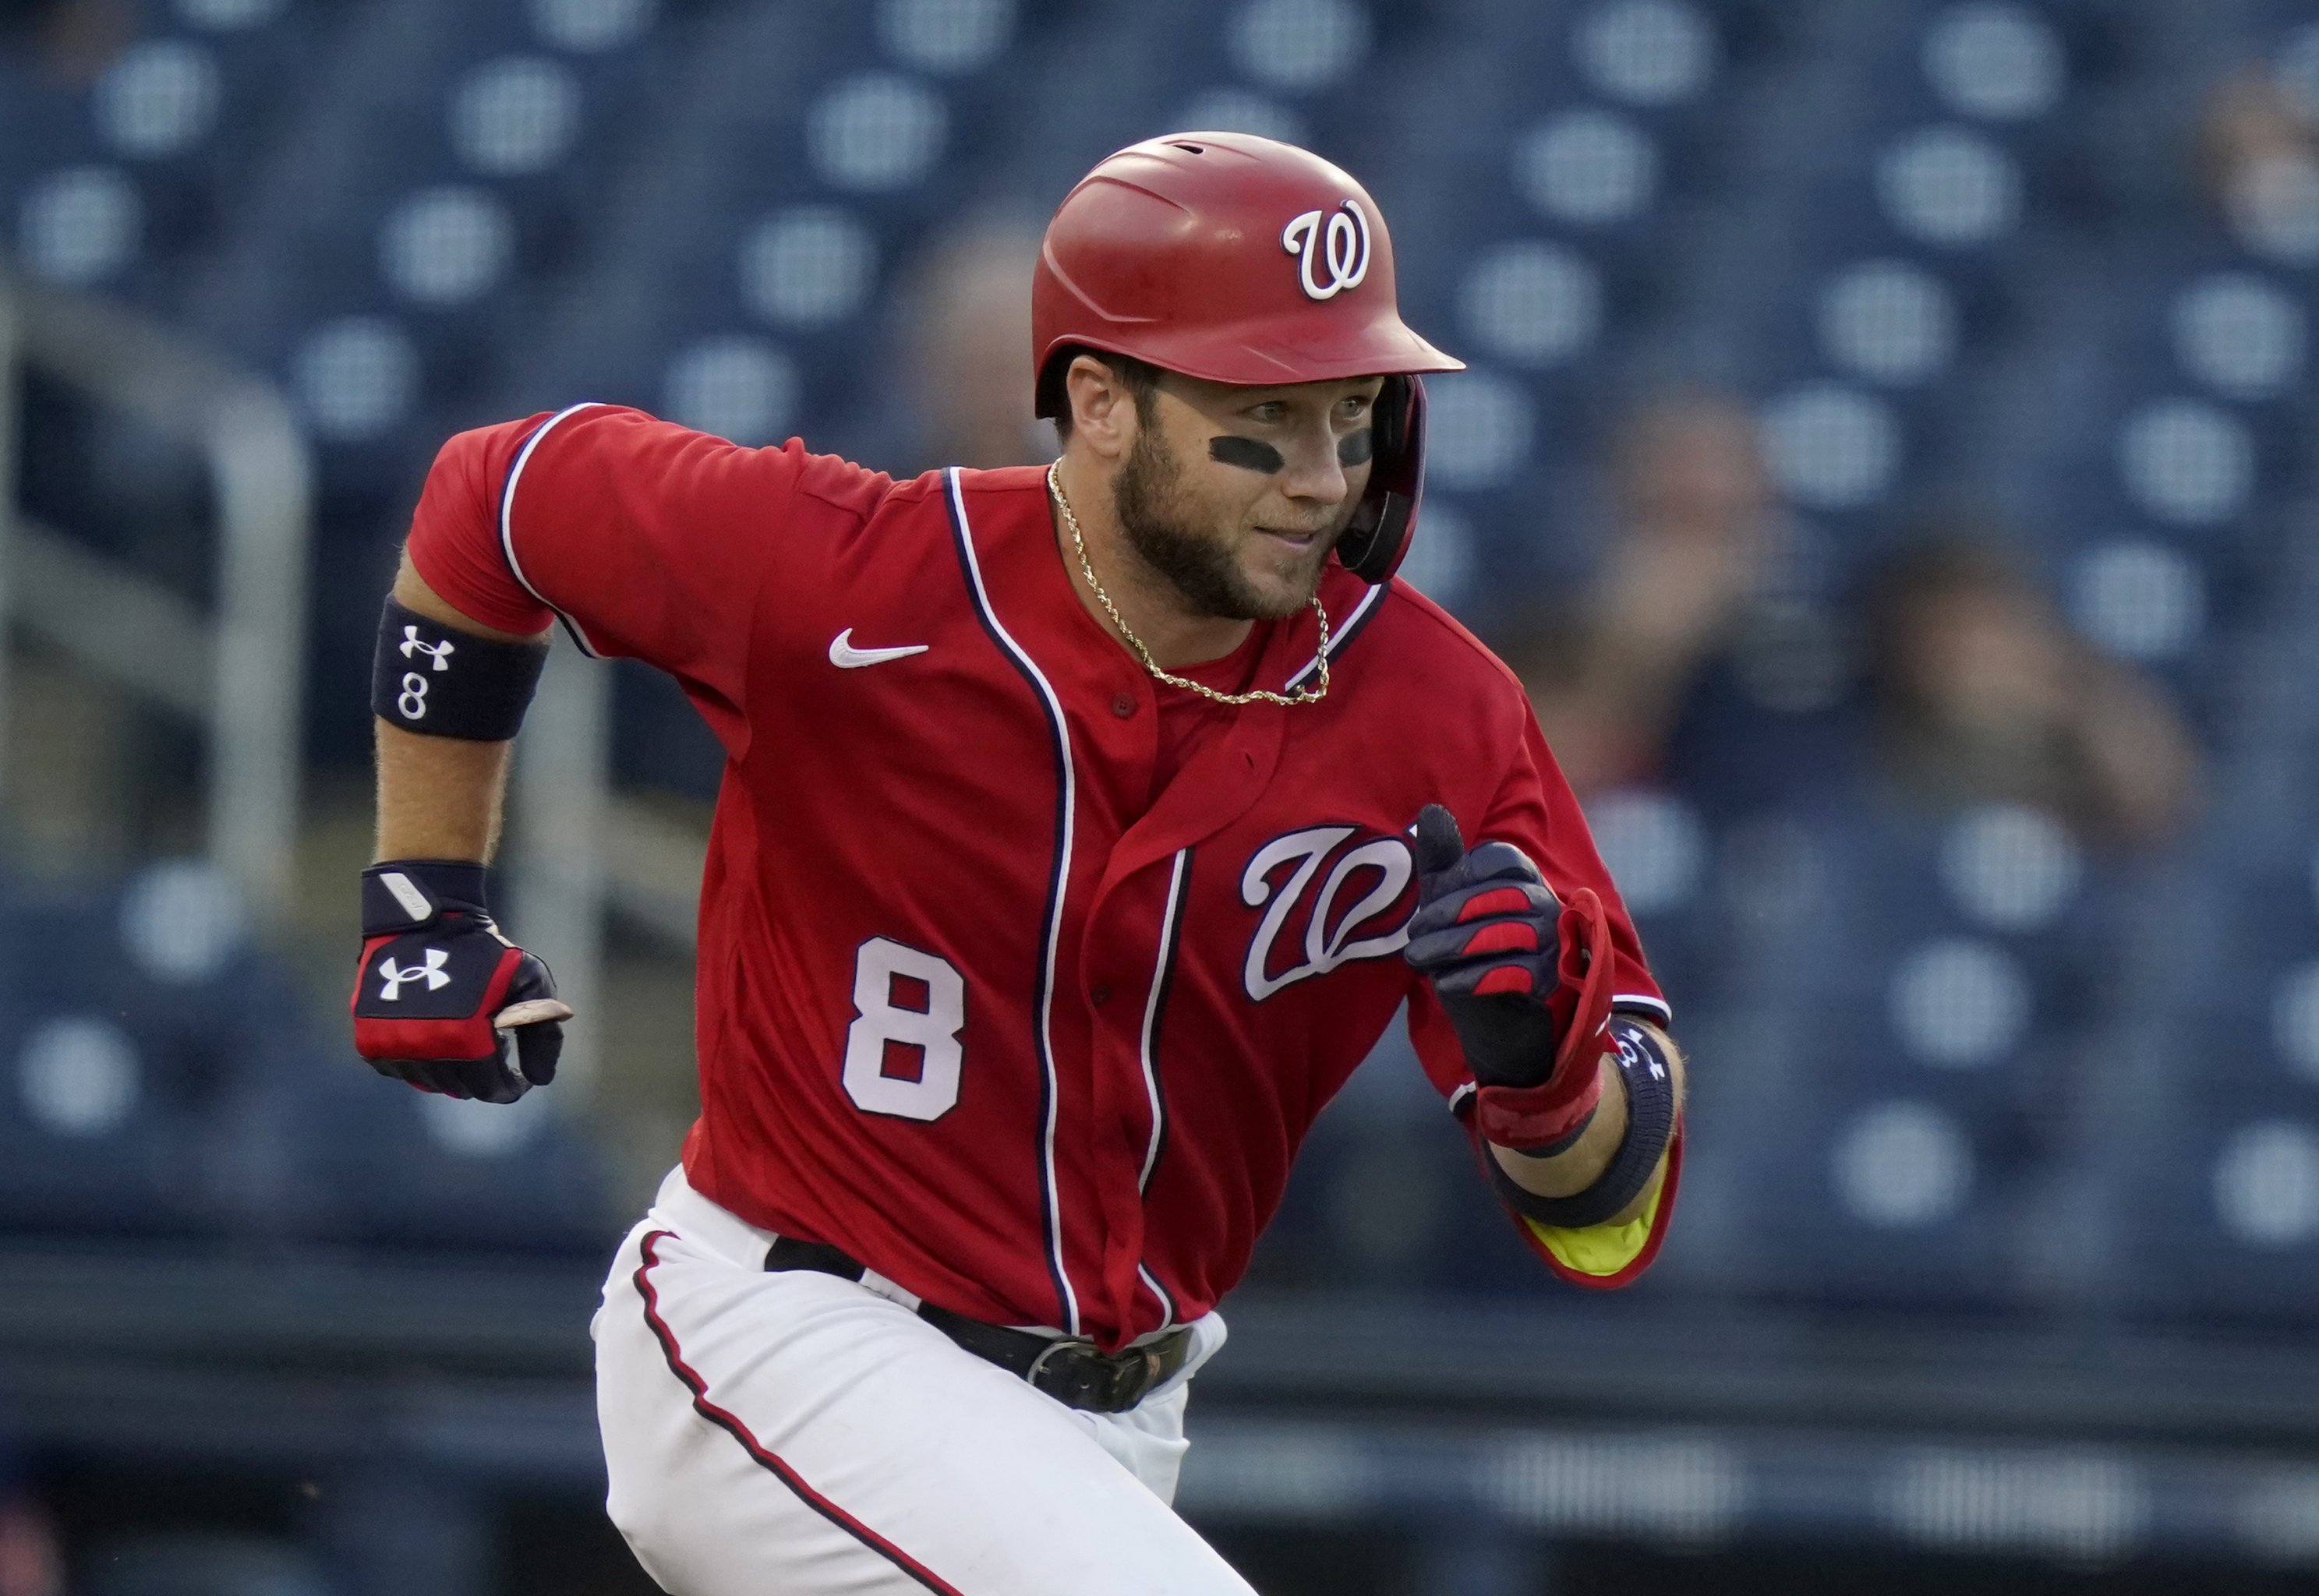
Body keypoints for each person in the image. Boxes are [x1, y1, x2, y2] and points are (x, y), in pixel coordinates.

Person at [350, 133, 1688, 1595]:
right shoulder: (855, 572)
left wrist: (1547, 1073)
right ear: (1102, 404)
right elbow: (497, 500)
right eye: (1266, 416)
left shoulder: (1437, 712)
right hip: (788, 1330)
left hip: (1118, 1416)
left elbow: (1604, 1212)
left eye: (1353, 413)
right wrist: (423, 899)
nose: (1322, 477)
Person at [1861, 538, 2201, 853]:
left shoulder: (2091, 687)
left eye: (1991, 633)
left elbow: (2162, 799)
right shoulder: (1949, 796)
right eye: (1959, 659)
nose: (1993, 659)